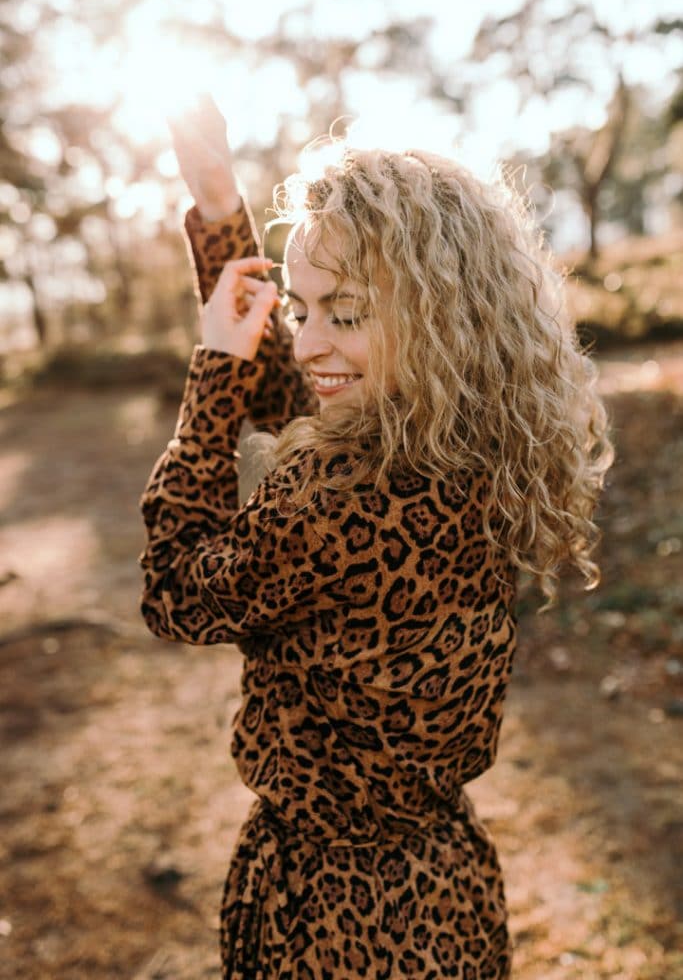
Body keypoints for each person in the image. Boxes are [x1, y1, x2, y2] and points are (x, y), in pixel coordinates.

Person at [137, 96, 614, 980]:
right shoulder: (463, 439)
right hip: (444, 889)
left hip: (329, 917)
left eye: (343, 313)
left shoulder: (339, 497)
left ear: (434, 316)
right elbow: (301, 394)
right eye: (300, 307)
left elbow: (172, 590)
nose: (310, 339)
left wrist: (212, 378)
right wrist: (215, 205)